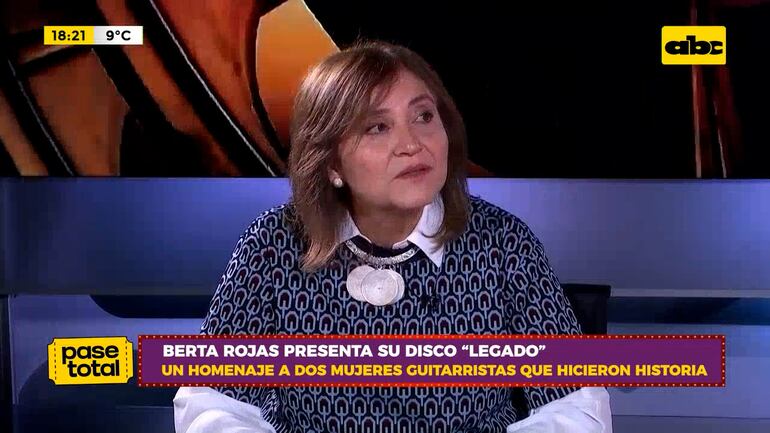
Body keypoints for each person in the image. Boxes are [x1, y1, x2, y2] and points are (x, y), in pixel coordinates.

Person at [174, 40, 612, 433]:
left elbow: (575, 404)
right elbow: (211, 402)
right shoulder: (273, 244)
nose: (412, 144)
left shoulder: (503, 243)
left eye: (424, 116)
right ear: (331, 163)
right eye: (377, 127)